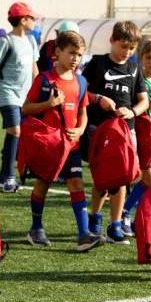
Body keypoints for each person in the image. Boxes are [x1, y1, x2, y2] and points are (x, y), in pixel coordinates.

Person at [21, 30, 95, 250]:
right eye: (71, 53)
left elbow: (83, 112)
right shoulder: (44, 80)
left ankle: (83, 234)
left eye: (80, 55)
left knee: (76, 182)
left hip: (70, 145)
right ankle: (36, 228)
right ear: (58, 52)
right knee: (43, 184)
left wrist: (81, 130)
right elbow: (26, 108)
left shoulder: (81, 81)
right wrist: (49, 105)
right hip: (49, 145)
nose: (75, 59)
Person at [81, 21, 149, 246]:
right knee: (102, 178)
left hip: (125, 131)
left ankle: (115, 224)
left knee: (122, 177)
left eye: (131, 49)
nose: (126, 53)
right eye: (122, 47)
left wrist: (132, 111)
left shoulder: (135, 67)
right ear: (112, 40)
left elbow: (143, 100)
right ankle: (95, 219)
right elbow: (82, 93)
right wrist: (99, 99)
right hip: (99, 129)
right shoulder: (97, 64)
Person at [0, 2, 40, 193]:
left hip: (25, 96)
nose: (34, 21)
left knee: (19, 132)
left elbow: (34, 69)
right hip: (6, 92)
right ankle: (8, 176)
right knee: (15, 130)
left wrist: (38, 92)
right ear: (23, 20)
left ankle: (3, 175)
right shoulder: (4, 41)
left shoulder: (32, 41)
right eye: (32, 18)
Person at [121, 35, 151, 235]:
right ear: (141, 58)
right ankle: (124, 212)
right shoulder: (138, 80)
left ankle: (137, 219)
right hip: (143, 135)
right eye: (148, 57)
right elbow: (135, 105)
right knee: (149, 179)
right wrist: (146, 106)